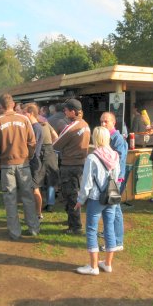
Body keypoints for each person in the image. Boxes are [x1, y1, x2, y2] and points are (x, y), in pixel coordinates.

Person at [0, 94, 39, 239]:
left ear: (0, 106)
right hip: (24, 165)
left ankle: (14, 232)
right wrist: (27, 157)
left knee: (10, 200)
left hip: (6, 166)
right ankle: (34, 228)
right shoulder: (24, 119)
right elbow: (32, 142)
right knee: (28, 197)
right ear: (13, 104)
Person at [74, 127, 120, 275]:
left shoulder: (92, 157)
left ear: (95, 138)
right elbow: (117, 177)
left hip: (96, 198)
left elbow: (86, 183)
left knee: (92, 230)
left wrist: (80, 200)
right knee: (109, 228)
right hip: (111, 197)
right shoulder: (115, 155)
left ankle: (93, 266)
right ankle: (107, 264)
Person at [53, 98, 91, 234]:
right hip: (81, 165)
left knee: (70, 196)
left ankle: (75, 226)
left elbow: (55, 146)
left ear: (73, 111)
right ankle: (72, 221)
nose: (64, 112)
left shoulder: (71, 127)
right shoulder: (85, 125)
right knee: (76, 194)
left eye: (66, 110)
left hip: (69, 166)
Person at [100, 112, 127, 251]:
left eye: (106, 121)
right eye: (101, 121)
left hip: (115, 179)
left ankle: (117, 241)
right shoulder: (107, 137)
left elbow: (118, 159)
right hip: (110, 178)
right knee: (112, 208)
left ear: (113, 123)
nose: (103, 124)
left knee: (114, 209)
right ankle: (111, 235)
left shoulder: (117, 138)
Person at [22, 103, 45, 219]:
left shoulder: (36, 128)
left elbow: (33, 146)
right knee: (32, 189)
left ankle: (38, 213)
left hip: (34, 161)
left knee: (35, 189)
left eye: (24, 112)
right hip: (31, 161)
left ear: (30, 113)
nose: (22, 114)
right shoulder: (33, 127)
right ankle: (34, 212)